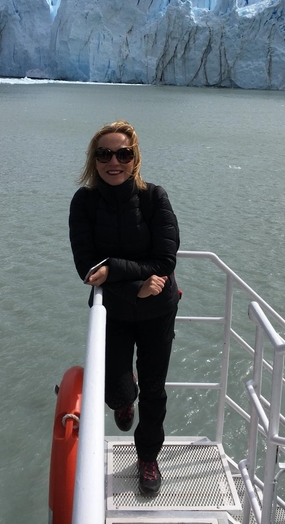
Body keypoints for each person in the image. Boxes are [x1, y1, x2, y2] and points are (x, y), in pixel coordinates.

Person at [69, 120, 180, 497]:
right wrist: (133, 282)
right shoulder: (84, 203)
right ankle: (122, 399)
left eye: (122, 153)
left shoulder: (154, 198)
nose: (112, 161)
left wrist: (113, 269)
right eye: (104, 153)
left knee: (153, 388)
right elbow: (87, 268)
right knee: (116, 393)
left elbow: (165, 260)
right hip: (113, 313)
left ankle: (148, 456)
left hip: (157, 312)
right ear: (94, 159)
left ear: (134, 159)